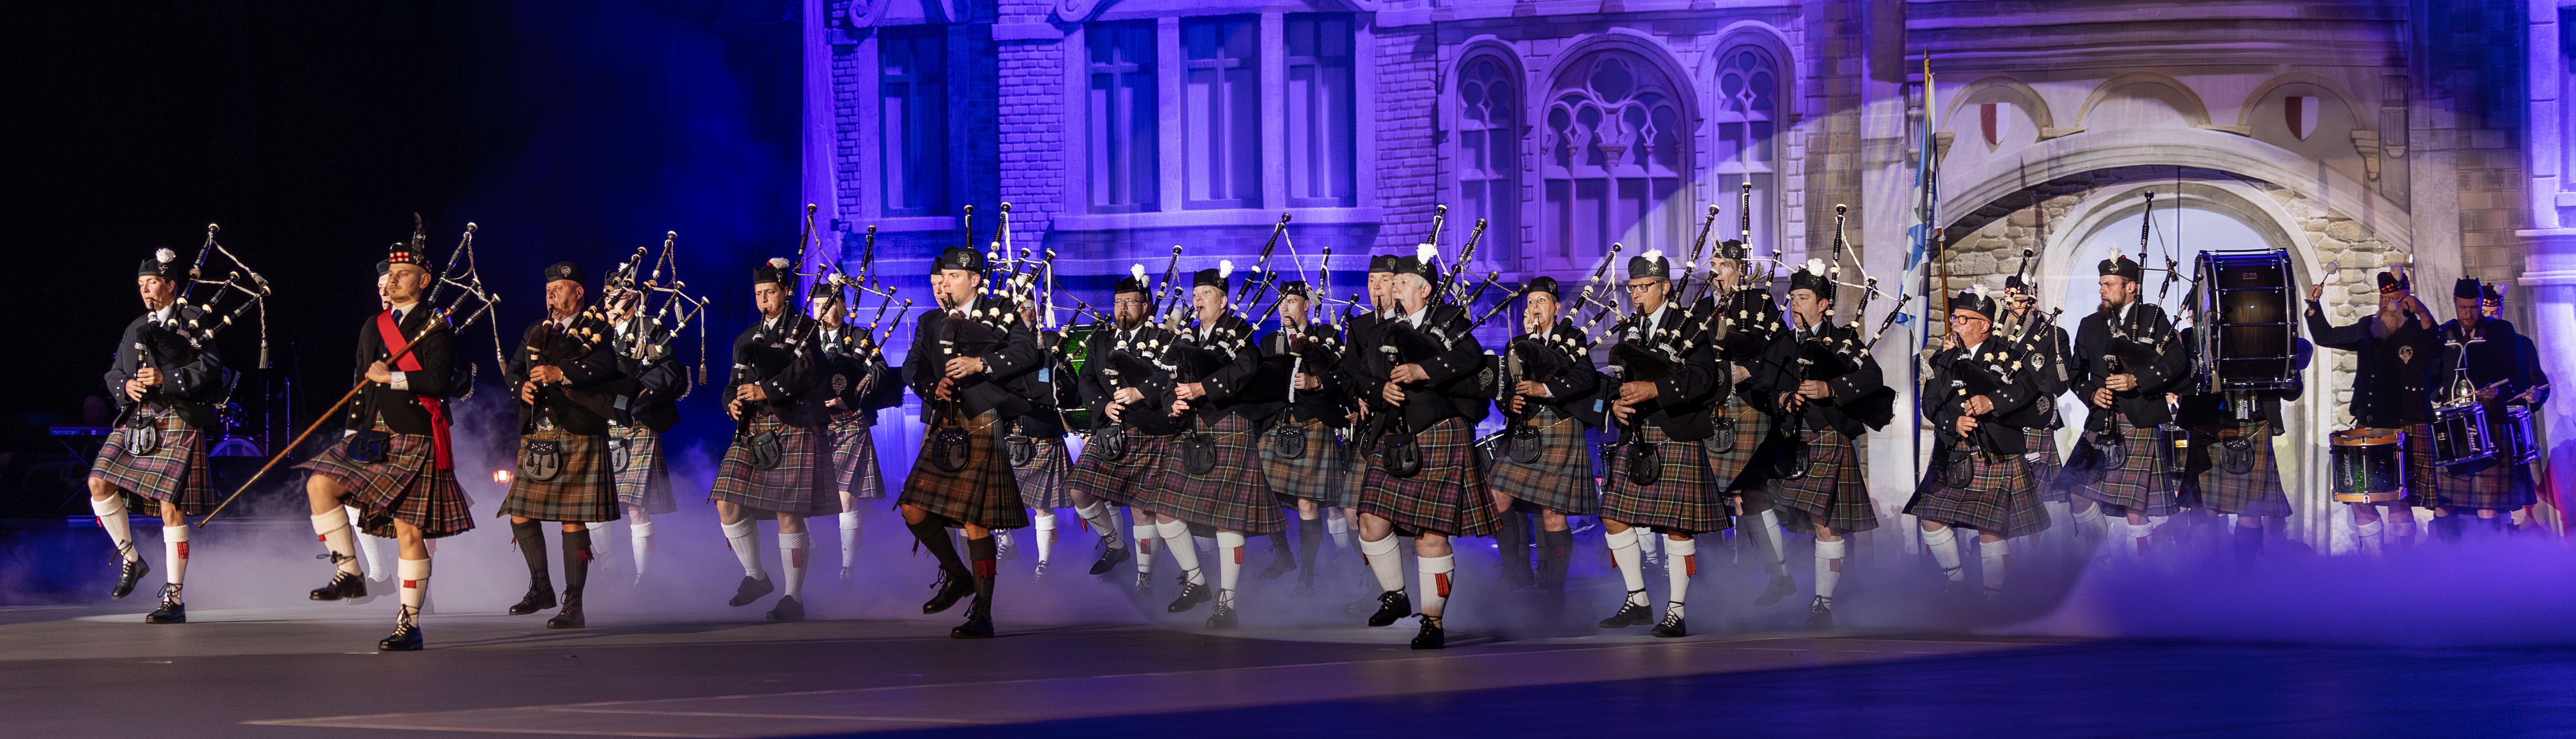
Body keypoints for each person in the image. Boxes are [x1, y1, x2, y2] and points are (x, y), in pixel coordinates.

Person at [297, 238, 472, 651]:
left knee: (409, 532)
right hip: (372, 435)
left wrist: (392, 378)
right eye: (390, 275)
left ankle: (409, 623)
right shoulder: (373, 325)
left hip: (415, 434)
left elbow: (439, 380)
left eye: (403, 274)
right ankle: (350, 573)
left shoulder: (437, 325)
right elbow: (362, 384)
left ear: (424, 281)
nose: (393, 281)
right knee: (320, 484)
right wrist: (352, 430)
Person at [1350, 246, 1497, 649]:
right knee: (1370, 522)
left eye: (1401, 282)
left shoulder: (1447, 320)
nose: (1393, 288)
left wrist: (1422, 370)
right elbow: (1359, 376)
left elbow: (1469, 356)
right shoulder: (1381, 330)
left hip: (1439, 430)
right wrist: (1378, 389)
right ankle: (1396, 595)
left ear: (1424, 289)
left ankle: (1432, 620)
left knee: (1430, 534)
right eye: (1392, 282)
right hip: (1393, 435)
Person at [897, 246, 1040, 638]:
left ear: (974, 280)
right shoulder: (930, 321)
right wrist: (933, 387)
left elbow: (1027, 352)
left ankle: (983, 611)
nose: (945, 284)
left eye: (953, 277)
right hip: (945, 421)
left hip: (981, 420)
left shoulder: (1000, 311)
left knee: (975, 523)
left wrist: (981, 364)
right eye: (942, 277)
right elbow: (913, 369)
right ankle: (958, 576)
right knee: (912, 509)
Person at [1136, 264, 1286, 628]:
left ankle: (1227, 602)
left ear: (1223, 300)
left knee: (1227, 519)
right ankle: (1197, 582)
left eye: (1206, 294)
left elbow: (1247, 367)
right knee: (1164, 510)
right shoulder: (1185, 337)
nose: (1198, 300)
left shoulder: (1238, 330)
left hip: (1229, 426)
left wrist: (1203, 388)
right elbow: (1168, 379)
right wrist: (1171, 402)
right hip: (1191, 431)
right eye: (1195, 294)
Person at [87, 248, 228, 623]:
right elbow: (115, 372)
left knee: (171, 508)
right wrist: (126, 386)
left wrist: (168, 378)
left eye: (152, 283)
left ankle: (174, 599)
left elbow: (212, 369)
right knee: (98, 482)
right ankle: (131, 560)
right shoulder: (135, 326)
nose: (146, 290)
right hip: (139, 417)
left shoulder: (194, 319)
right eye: (141, 285)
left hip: (179, 415)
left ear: (170, 285)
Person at [1595, 252, 1726, 638]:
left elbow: (1705, 378)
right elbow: (1616, 378)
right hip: (1637, 434)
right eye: (1632, 288)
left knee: (1677, 527)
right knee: (1612, 515)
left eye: (1644, 287)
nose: (1636, 294)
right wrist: (1614, 404)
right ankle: (1638, 600)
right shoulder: (1630, 330)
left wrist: (1656, 389)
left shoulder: (1690, 326)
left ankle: (1676, 611)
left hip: (1676, 431)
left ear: (1664, 287)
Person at [1755, 259, 1890, 629]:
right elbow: (1762, 388)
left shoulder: (1843, 339)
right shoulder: (1781, 343)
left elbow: (1872, 377)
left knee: (1824, 524)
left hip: (1828, 438)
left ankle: (1823, 604)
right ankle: (1780, 576)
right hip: (1787, 441)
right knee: (1752, 500)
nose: (1794, 304)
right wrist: (1782, 398)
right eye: (1792, 298)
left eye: (1802, 298)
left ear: (1822, 304)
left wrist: (1830, 388)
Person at [498, 261, 625, 629]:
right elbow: (514, 369)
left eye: (560, 288)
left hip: (579, 428)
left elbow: (606, 366)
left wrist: (562, 373)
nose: (551, 295)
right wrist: (520, 388)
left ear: (579, 292)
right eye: (548, 289)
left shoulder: (599, 327)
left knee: (572, 518)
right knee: (520, 511)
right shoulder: (535, 330)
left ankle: (574, 603)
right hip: (540, 432)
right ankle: (541, 588)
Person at [710, 258, 834, 622]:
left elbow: (808, 371)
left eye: (770, 292)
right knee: (725, 502)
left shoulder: (805, 328)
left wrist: (765, 390)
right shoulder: (747, 337)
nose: (763, 300)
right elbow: (732, 384)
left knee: (787, 513)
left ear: (785, 292)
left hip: (794, 423)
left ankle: (793, 598)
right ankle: (756, 577)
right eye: (758, 294)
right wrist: (731, 403)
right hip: (753, 429)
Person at [1906, 291, 2050, 598]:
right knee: (1930, 518)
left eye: (1963, 319)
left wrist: (1992, 401)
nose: (1955, 324)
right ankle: (1956, 581)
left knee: (1991, 529)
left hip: (1996, 450)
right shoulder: (1943, 359)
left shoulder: (2006, 353)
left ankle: (1994, 596)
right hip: (1953, 452)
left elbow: (2027, 387)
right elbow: (1930, 402)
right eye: (1954, 318)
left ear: (1984, 325)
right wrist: (1953, 422)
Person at [1482, 276, 1600, 609]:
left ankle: (1555, 591)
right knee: (1496, 496)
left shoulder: (1572, 338)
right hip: (1524, 432)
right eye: (1531, 302)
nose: (1535, 307)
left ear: (1556, 308)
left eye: (1542, 301)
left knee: (1552, 514)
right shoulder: (1516, 344)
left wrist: (1544, 390)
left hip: (1561, 427)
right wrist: (1509, 404)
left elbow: (1586, 379)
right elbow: (1504, 389)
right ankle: (1515, 570)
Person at [2303, 272, 2436, 554]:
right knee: (2358, 497)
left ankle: (2403, 563)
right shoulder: (2369, 327)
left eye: (2395, 299)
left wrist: (2423, 313)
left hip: (2404, 425)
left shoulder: (2419, 331)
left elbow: (2436, 347)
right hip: (2369, 423)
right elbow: (2327, 336)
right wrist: (2314, 306)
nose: (2389, 305)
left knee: (2397, 498)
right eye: (2384, 299)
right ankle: (2376, 565)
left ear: (2407, 301)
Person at [2065, 255, 2188, 556]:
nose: (2102, 290)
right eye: (2101, 284)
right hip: (2100, 421)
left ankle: (2139, 573)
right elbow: (2075, 373)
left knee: (2136, 508)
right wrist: (2091, 393)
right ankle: (2103, 557)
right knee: (2076, 493)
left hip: (2139, 418)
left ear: (2130, 286)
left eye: (2109, 284)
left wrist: (2137, 380)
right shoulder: (2090, 325)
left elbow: (2177, 361)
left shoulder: (2152, 316)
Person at [1064, 269, 1174, 589]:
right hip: (1108, 429)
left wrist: (1140, 394)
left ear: (1146, 306)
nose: (1122, 308)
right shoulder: (1101, 340)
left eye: (1130, 302)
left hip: (1146, 428)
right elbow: (1086, 380)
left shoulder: (1162, 338)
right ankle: (1115, 545)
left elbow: (1168, 377)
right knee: (1078, 490)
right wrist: (1104, 405)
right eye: (1117, 302)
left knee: (1142, 508)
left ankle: (1145, 578)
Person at [2424, 277, 2544, 538]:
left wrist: (2499, 391)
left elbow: (2517, 374)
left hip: (2490, 425)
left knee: (2488, 506)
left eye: (2474, 307)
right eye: (2463, 307)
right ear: (2455, 304)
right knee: (2444, 503)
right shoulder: (2444, 333)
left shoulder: (2501, 331)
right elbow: (2429, 377)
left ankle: (2491, 558)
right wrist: (2438, 392)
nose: (2469, 314)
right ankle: (2445, 557)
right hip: (2452, 428)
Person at [2173, 324, 2301, 563]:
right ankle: (2205, 573)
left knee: (2251, 511)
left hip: (2254, 424)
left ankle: (2245, 575)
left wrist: (2290, 381)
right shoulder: (2192, 336)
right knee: (2204, 508)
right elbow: (2179, 382)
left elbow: (2293, 387)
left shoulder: (2270, 329)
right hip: (2208, 424)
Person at [1258, 280, 1351, 596]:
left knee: (1307, 503)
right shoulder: (1269, 341)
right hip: (1275, 425)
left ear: (1306, 306)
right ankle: (1284, 556)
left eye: (1292, 301)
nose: (1284, 307)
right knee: (1261, 495)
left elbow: (1343, 375)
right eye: (1281, 302)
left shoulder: (1326, 336)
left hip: (1313, 423)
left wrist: (1316, 382)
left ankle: (1307, 576)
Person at [594, 273, 686, 582]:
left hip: (637, 423)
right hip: (600, 424)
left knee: (635, 507)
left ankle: (643, 578)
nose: (610, 304)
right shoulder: (597, 332)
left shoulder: (651, 328)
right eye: (607, 297)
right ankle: (606, 567)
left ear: (634, 299)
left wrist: (634, 395)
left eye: (617, 298)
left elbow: (669, 372)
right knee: (594, 503)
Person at [813, 283, 894, 581]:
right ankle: (812, 547)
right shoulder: (807, 338)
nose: (822, 311)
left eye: (828, 305)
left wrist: (850, 396)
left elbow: (880, 370)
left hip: (851, 422)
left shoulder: (859, 337)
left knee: (845, 497)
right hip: (814, 424)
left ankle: (848, 568)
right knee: (798, 495)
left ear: (842, 307)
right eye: (817, 306)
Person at [1003, 296, 1078, 580]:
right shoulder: (1001, 343)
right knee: (997, 498)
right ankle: (1006, 544)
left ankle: (1044, 565)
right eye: (1021, 309)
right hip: (1008, 431)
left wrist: (1055, 384)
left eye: (1030, 308)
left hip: (1042, 430)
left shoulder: (1050, 341)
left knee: (1042, 505)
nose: (1027, 313)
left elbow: (1071, 386)